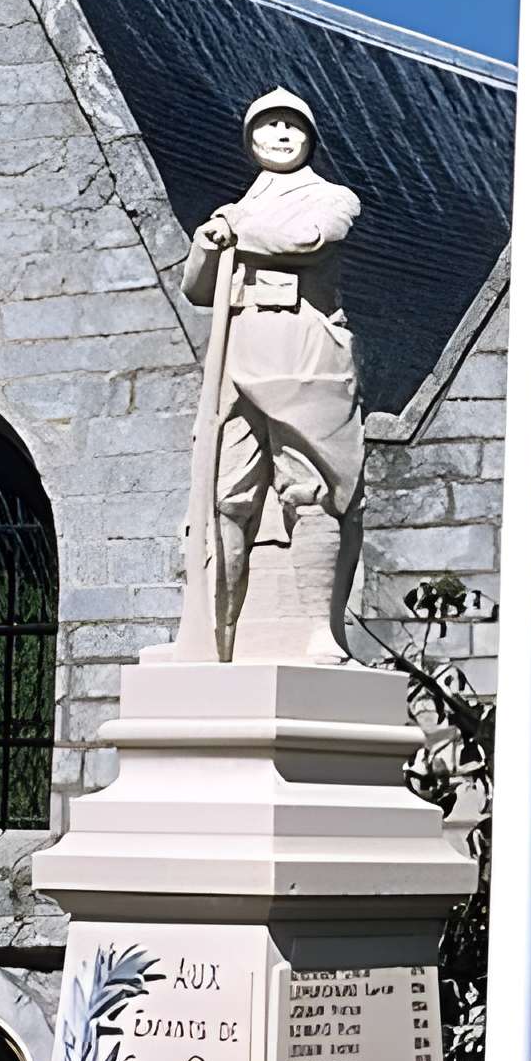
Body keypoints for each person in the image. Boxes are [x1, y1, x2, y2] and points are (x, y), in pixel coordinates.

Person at [176, 87, 363, 660]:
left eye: (293, 126)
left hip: (303, 353)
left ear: (310, 138)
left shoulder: (333, 198)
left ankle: (319, 631)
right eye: (268, 125)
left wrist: (237, 229)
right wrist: (207, 246)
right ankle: (216, 633)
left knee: (310, 489)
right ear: (250, 138)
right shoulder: (233, 211)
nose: (281, 135)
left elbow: (305, 241)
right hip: (238, 355)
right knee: (225, 495)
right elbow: (198, 290)